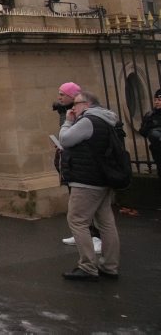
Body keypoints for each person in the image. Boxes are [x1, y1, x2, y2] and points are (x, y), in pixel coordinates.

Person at [59, 92, 121, 281]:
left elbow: (65, 139)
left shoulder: (88, 121)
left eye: (76, 104)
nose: (72, 108)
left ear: (87, 104)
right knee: (106, 221)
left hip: (86, 180)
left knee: (77, 220)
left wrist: (68, 122)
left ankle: (87, 265)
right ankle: (110, 265)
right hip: (102, 179)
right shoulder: (106, 119)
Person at [138, 88, 161, 178]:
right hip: (157, 151)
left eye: (159, 100)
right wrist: (148, 126)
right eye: (155, 100)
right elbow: (143, 132)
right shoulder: (150, 115)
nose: (156, 102)